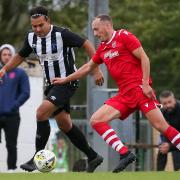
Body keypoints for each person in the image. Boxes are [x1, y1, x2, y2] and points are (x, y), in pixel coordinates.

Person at [51, 14, 180, 172]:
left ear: (107, 26)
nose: (95, 34)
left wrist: (145, 84)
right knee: (96, 120)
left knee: (161, 126)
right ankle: (125, 154)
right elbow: (87, 67)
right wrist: (65, 79)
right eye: (93, 30)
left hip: (139, 90)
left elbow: (144, 58)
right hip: (124, 95)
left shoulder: (124, 36)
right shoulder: (103, 48)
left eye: (96, 29)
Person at [0, 6, 104, 172]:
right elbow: (20, 56)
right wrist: (5, 69)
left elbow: (87, 44)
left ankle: (36, 157)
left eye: (41, 25)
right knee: (65, 124)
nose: (38, 29)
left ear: (48, 20)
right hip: (51, 85)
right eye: (34, 26)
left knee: (41, 112)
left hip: (67, 82)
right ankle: (92, 156)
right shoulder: (31, 38)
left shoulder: (62, 34)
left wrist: (96, 69)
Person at [0, 44, 30, 171]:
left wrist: (13, 106)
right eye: (4, 54)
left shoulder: (20, 73)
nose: (7, 57)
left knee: (11, 145)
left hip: (12, 115)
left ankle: (11, 170)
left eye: (9, 55)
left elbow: (25, 93)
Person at [156, 90, 180, 171]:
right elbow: (163, 131)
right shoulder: (162, 112)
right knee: (162, 148)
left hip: (177, 141)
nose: (168, 105)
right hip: (173, 140)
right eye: (165, 103)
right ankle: (158, 175)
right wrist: (164, 143)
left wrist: (170, 146)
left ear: (174, 99)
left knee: (177, 159)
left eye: (170, 102)